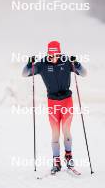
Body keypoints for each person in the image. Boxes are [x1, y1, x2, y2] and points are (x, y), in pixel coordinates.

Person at [22, 41, 86, 174]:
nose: (53, 57)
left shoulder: (66, 61)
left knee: (66, 129)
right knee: (55, 132)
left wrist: (77, 64)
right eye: (51, 55)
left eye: (56, 54)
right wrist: (29, 63)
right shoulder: (42, 64)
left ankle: (68, 157)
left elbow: (84, 73)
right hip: (52, 103)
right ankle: (56, 161)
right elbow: (24, 73)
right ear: (47, 54)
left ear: (59, 52)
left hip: (67, 101)